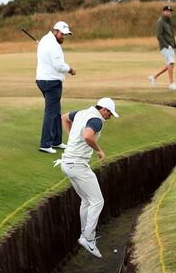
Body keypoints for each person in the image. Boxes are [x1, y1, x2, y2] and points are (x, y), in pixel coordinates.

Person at [57, 97, 120, 258]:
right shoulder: (97, 120)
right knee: (98, 201)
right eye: (110, 113)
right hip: (77, 165)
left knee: (87, 200)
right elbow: (87, 136)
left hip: (67, 164)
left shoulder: (81, 113)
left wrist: (71, 137)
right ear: (104, 109)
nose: (109, 117)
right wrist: (99, 150)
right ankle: (88, 238)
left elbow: (64, 118)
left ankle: (84, 235)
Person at [36, 21, 75, 154]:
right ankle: (45, 144)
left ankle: (57, 141)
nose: (63, 36)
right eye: (62, 34)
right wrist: (70, 69)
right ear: (56, 31)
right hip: (51, 82)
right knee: (51, 113)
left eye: (65, 34)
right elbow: (59, 65)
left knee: (56, 111)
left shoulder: (45, 40)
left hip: (43, 80)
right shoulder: (52, 45)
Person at [148, 5, 176, 90]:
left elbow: (171, 35)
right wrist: (167, 46)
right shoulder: (160, 22)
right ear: (163, 12)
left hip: (171, 46)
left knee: (169, 64)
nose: (169, 13)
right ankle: (171, 84)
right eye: (167, 11)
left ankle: (154, 77)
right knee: (171, 63)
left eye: (170, 12)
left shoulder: (168, 22)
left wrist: (173, 46)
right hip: (166, 47)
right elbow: (159, 35)